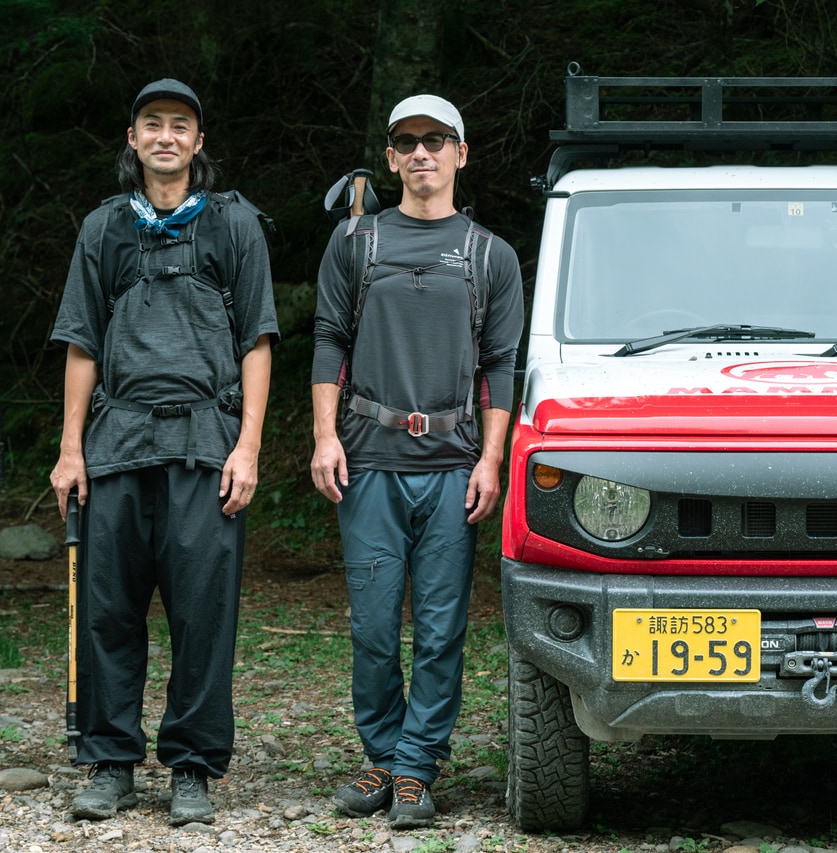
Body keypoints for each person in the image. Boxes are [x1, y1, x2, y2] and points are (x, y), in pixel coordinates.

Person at [49, 78, 278, 826]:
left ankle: (191, 768)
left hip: (206, 446)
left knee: (202, 616)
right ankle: (109, 762)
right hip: (116, 446)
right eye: (154, 124)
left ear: (199, 141)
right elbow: (82, 342)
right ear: (133, 137)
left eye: (181, 125)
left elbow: (257, 342)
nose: (167, 136)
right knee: (108, 612)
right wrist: (69, 451)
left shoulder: (234, 226)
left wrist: (248, 446)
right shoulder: (105, 229)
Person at [310, 94, 524, 828]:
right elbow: (329, 341)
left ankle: (416, 766)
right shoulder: (356, 243)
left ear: (462, 154)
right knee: (373, 625)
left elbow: (501, 366)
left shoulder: (491, 254)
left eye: (438, 140)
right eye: (408, 141)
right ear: (394, 155)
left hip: (451, 466)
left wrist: (491, 459)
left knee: (440, 628)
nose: (423, 152)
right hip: (368, 460)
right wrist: (324, 435)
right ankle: (382, 752)